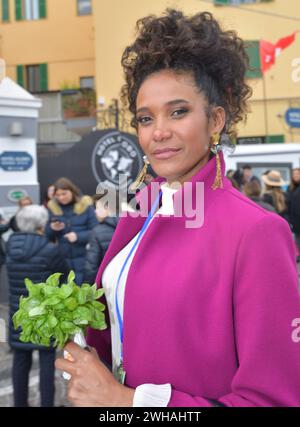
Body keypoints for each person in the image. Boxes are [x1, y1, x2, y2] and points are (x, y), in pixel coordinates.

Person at [56, 9, 300, 407]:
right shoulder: (141, 209)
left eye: (179, 111)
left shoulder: (257, 231)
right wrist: (83, 350)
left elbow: (272, 400)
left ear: (216, 119)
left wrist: (128, 401)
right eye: (145, 118)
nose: (159, 132)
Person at [5, 205, 68, 407]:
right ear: (41, 224)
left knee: (20, 360)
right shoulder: (49, 250)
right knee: (47, 362)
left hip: (19, 312)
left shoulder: (10, 247)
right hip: (43, 314)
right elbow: (64, 276)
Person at [45, 177, 98, 285]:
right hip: (62, 260)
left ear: (72, 191)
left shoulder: (86, 206)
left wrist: (78, 237)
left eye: (64, 193)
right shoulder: (53, 208)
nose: (61, 197)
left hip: (85, 258)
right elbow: (47, 236)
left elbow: (96, 231)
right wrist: (52, 228)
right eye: (58, 195)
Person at [84, 193, 119, 285]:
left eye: (97, 208)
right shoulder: (133, 226)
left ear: (107, 208)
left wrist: (86, 288)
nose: (95, 211)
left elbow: (91, 266)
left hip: (107, 283)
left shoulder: (97, 232)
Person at [287, 168, 300, 259]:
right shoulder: (290, 188)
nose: (295, 176)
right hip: (294, 219)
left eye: (298, 174)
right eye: (294, 174)